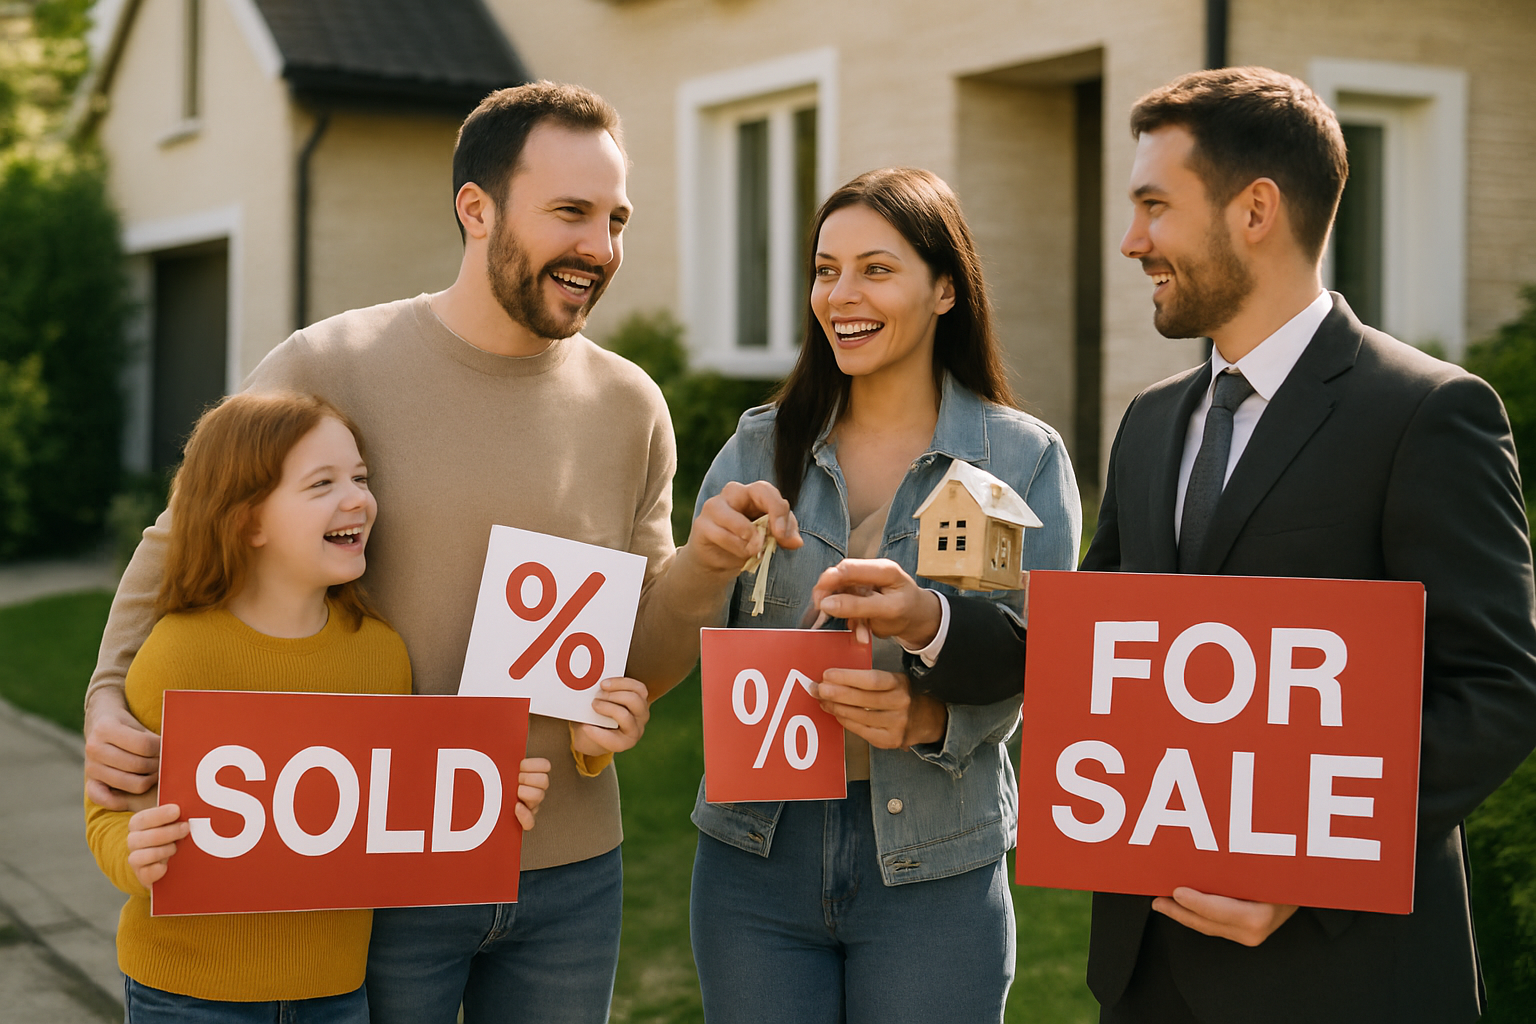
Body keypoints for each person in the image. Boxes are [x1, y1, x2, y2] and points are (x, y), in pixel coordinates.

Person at [80, 82, 767, 1023]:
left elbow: (636, 653)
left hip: (570, 874)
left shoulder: (631, 406)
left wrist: (694, 588)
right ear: (475, 210)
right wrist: (109, 691)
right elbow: (184, 535)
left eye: (616, 219)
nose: (600, 249)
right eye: (570, 212)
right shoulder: (330, 364)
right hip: (386, 865)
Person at [907, 67, 1536, 1023]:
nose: (1132, 241)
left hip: (1343, 978)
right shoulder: (1152, 423)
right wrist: (930, 624)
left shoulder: (1429, 414)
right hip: (1150, 971)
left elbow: (1496, 685)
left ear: (1256, 210)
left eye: (1155, 206)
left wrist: (1309, 869)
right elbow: (1085, 653)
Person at [683, 167, 1081, 1023]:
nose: (841, 294)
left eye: (875, 268)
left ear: (945, 289)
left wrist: (930, 713)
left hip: (935, 862)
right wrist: (700, 565)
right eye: (826, 270)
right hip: (755, 858)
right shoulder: (757, 448)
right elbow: (680, 642)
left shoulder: (1023, 459)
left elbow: (1049, 659)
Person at [84, 391, 554, 1022]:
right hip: (188, 995)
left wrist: (485, 792)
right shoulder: (179, 652)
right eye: (322, 483)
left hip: (336, 995)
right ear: (248, 519)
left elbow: (397, 799)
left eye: (360, 477)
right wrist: (133, 856)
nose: (357, 498)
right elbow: (108, 812)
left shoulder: (380, 654)